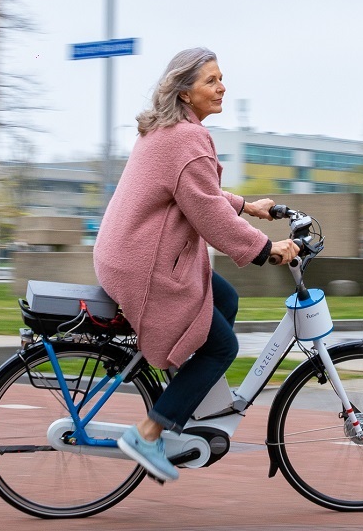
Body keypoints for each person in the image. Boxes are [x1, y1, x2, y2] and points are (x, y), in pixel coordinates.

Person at [93, 48, 299, 482]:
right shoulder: (187, 138)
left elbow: (194, 190)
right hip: (144, 267)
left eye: (221, 78)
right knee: (222, 348)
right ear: (185, 92)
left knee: (225, 300)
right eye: (211, 80)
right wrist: (267, 249)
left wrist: (247, 206)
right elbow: (207, 213)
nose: (222, 87)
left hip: (128, 254)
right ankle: (149, 433)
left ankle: (182, 397)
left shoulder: (168, 131)